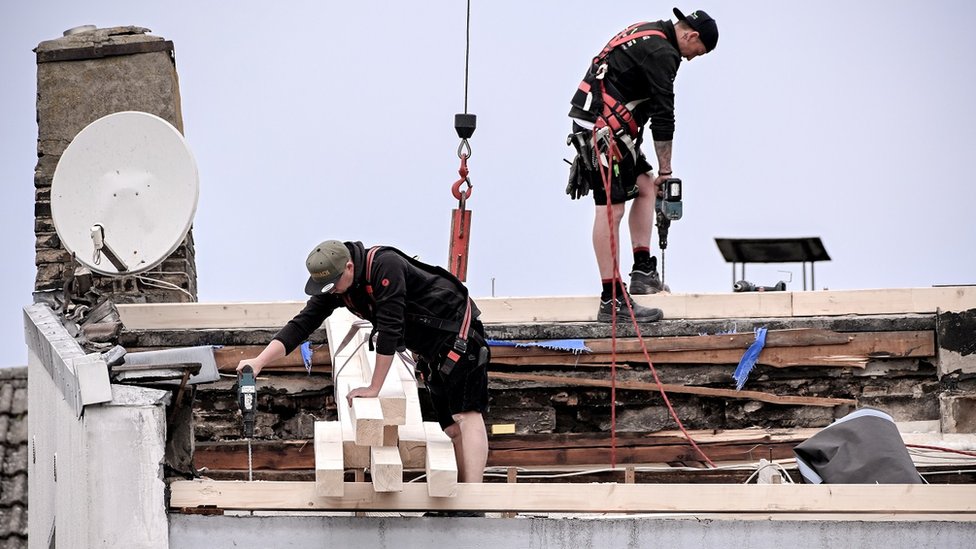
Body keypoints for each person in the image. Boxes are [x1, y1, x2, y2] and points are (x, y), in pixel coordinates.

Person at [237, 239, 490, 485]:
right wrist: (259, 361)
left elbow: (391, 331)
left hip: (460, 339)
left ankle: (474, 500)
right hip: (433, 352)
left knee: (466, 416)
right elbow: (302, 324)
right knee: (453, 429)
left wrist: (374, 387)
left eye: (334, 284)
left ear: (349, 266)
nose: (332, 290)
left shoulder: (385, 266)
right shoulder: (338, 286)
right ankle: (461, 503)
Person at [566, 7, 719, 321]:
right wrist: (666, 170)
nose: (692, 58)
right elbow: (664, 115)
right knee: (611, 208)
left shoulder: (648, 31)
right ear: (691, 35)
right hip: (602, 132)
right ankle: (612, 300)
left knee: (645, 186)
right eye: (697, 52)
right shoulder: (663, 53)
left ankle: (642, 272)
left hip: (611, 129)